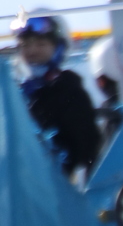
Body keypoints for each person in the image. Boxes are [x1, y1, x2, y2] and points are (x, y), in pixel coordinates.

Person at [11, 10, 101, 181]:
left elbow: (88, 147)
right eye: (26, 45)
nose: (32, 50)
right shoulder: (16, 94)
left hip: (58, 187)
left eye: (41, 43)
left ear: (58, 46)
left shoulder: (68, 90)